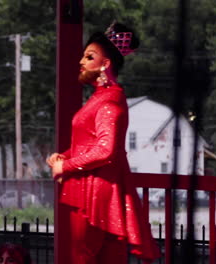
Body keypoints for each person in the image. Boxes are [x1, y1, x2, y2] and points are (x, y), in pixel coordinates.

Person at [47, 21, 161, 263]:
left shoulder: (109, 101)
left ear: (104, 65)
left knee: (83, 255)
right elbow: (90, 144)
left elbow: (105, 150)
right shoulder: (103, 98)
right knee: (106, 256)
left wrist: (65, 167)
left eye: (89, 57)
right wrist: (65, 156)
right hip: (97, 189)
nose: (81, 62)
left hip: (94, 193)